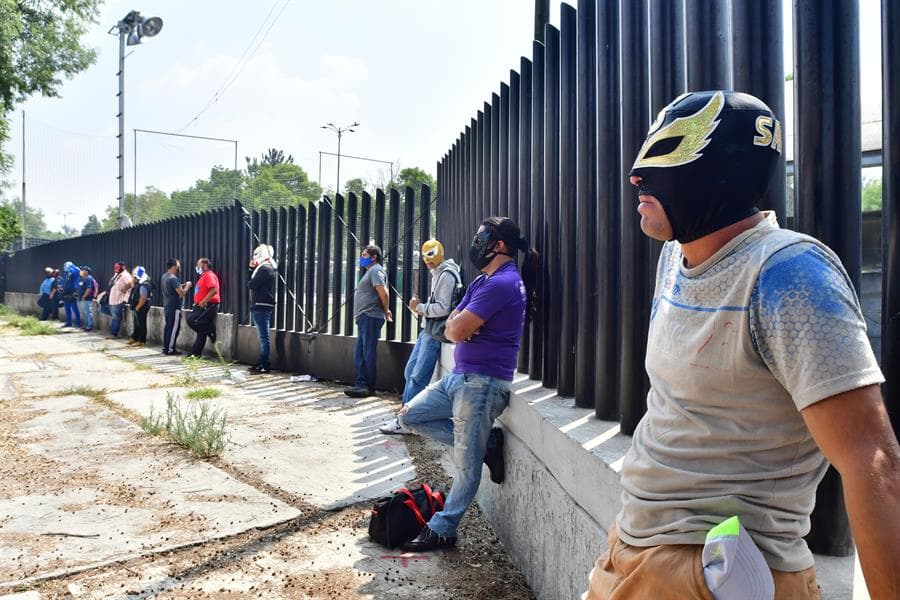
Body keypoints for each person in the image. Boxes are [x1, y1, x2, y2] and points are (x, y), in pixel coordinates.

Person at [582, 91, 900, 599]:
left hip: (716, 575)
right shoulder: (674, 259)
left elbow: (873, 460)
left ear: (723, 170)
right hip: (634, 552)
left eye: (667, 153)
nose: (637, 175)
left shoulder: (788, 273)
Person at [400, 217, 538, 552]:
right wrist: (459, 324)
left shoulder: (502, 283)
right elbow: (452, 325)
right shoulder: (482, 282)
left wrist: (460, 325)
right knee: (410, 416)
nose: (475, 243)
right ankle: (484, 446)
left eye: (482, 238)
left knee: (465, 464)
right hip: (460, 378)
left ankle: (444, 529)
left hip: (483, 384)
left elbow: (456, 329)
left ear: (499, 245)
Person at [380, 239, 461, 435]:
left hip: (434, 333)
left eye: (431, 257)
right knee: (410, 373)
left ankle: (404, 421)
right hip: (428, 331)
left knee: (417, 377)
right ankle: (405, 414)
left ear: (439, 254)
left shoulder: (446, 275)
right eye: (425, 258)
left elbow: (443, 308)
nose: (427, 261)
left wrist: (419, 308)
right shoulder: (440, 273)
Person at [344, 245, 393, 398]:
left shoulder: (375, 270)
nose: (362, 258)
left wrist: (386, 311)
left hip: (370, 316)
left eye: (365, 255)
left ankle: (368, 386)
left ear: (374, 257)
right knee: (360, 352)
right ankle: (361, 384)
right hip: (365, 317)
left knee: (367, 352)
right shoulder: (371, 272)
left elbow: (383, 293)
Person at [247, 244, 277, 374]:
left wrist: (251, 269)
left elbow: (251, 284)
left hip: (261, 305)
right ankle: (261, 362)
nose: (254, 258)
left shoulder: (265, 269)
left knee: (264, 337)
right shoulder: (267, 267)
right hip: (262, 305)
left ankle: (264, 364)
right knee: (263, 336)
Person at [185, 257, 220, 357]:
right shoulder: (203, 276)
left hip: (208, 305)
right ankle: (196, 353)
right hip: (200, 305)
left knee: (192, 320)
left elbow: (213, 290)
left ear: (205, 265)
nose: (197, 267)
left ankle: (210, 329)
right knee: (201, 331)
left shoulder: (209, 275)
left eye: (198, 265)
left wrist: (204, 301)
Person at [160, 258, 190, 356]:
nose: (179, 267)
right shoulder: (173, 278)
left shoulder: (165, 276)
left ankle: (166, 347)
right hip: (174, 307)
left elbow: (173, 288)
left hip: (168, 306)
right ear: (174, 266)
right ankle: (170, 349)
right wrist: (188, 286)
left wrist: (181, 285)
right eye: (178, 265)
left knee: (168, 327)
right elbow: (181, 293)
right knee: (174, 328)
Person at [101, 262, 133, 339]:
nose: (116, 269)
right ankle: (117, 321)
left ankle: (113, 333)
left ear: (123, 267)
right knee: (102, 309)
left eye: (118, 267)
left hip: (118, 300)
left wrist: (125, 300)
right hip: (112, 300)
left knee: (116, 317)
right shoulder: (117, 275)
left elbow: (130, 287)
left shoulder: (125, 276)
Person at [127, 266, 152, 347]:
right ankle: (135, 337)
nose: (133, 275)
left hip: (142, 305)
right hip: (138, 305)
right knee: (136, 323)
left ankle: (141, 340)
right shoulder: (139, 281)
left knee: (141, 323)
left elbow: (143, 297)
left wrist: (138, 307)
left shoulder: (144, 283)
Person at [59, 260, 81, 329]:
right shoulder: (66, 274)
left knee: (75, 309)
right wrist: (61, 287)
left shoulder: (75, 272)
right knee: (67, 309)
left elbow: (77, 278)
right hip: (65, 293)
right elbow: (64, 282)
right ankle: (68, 322)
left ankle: (78, 323)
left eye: (66, 266)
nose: (65, 268)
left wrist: (75, 290)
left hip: (72, 293)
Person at [77, 265, 96, 332]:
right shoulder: (82, 278)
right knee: (85, 312)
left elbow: (89, 288)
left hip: (86, 298)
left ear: (87, 272)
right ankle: (85, 325)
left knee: (88, 312)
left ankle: (89, 326)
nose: (82, 271)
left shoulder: (88, 278)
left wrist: (84, 296)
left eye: (83, 270)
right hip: (82, 298)